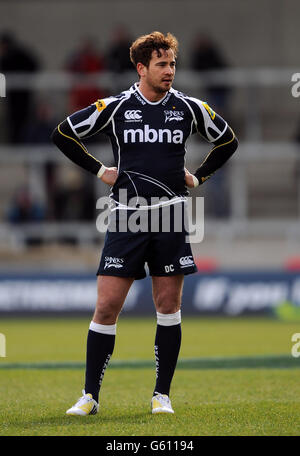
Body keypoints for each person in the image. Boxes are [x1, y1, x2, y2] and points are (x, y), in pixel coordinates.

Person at [51, 31, 238, 416]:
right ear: (141, 68)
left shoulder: (189, 107)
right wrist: (99, 169)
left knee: (168, 305)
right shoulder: (116, 107)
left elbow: (228, 141)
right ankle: (90, 396)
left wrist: (198, 177)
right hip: (126, 215)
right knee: (106, 306)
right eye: (161, 65)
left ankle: (161, 395)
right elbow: (64, 133)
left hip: (171, 214)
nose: (169, 71)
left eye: (172, 64)